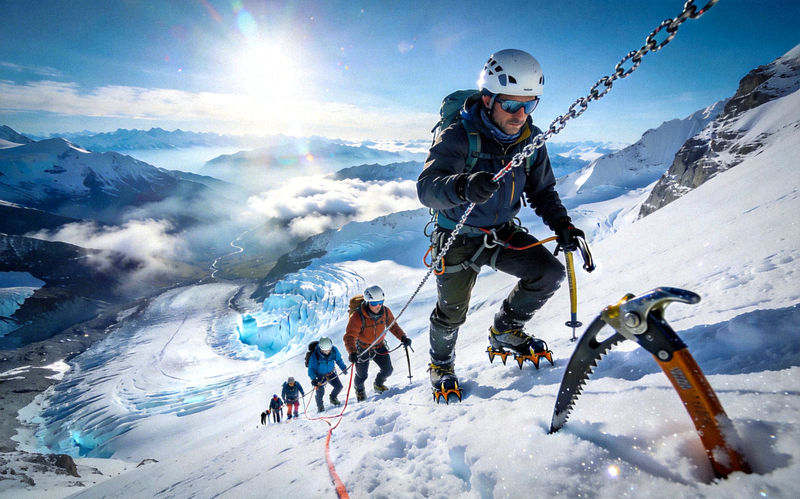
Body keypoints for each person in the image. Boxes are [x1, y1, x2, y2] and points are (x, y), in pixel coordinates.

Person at [417, 49, 585, 396]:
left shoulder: (531, 141)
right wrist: (463, 186)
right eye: (510, 104)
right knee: (452, 313)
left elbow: (542, 190)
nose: (520, 114)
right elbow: (428, 188)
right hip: (457, 236)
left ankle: (506, 331)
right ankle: (441, 364)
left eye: (530, 104)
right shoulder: (459, 135)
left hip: (501, 232)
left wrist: (562, 224)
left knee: (548, 273)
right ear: (488, 99)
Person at [343, 285, 412, 401]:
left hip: (379, 346)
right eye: (374, 303)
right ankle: (359, 389)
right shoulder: (358, 316)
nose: (378, 306)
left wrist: (403, 337)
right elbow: (349, 336)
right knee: (362, 375)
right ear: (367, 302)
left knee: (387, 370)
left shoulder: (385, 312)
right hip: (362, 348)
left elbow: (393, 326)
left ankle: (378, 384)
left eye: (380, 302)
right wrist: (352, 352)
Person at [307, 336, 348, 412]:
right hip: (320, 376)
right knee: (320, 390)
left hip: (330, 373)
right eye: (325, 351)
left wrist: (343, 368)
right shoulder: (315, 355)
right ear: (320, 348)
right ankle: (320, 406)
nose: (327, 352)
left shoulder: (334, 350)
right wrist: (313, 379)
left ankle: (333, 398)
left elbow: (339, 360)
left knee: (339, 386)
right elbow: (311, 369)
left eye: (328, 350)